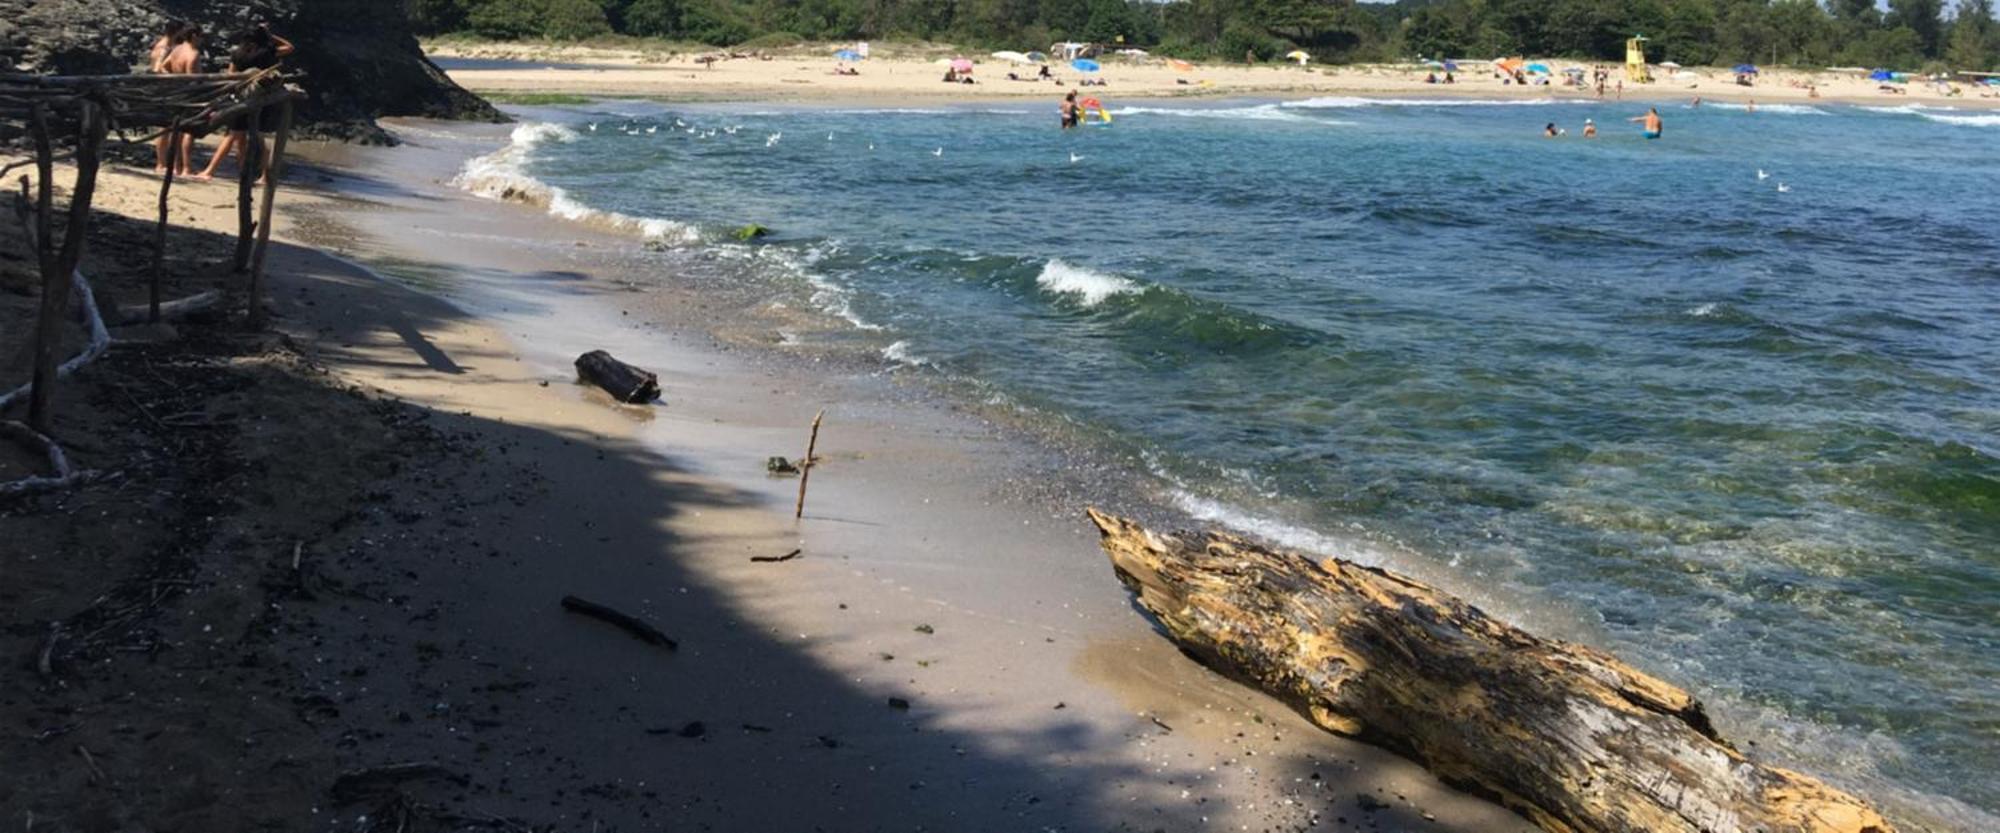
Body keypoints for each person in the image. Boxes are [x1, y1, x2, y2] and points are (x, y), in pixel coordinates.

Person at [193, 24, 294, 183]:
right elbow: (289, 47)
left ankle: (214, 171)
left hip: (241, 96)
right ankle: (262, 175)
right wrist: (270, 34)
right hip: (262, 97)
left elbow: (230, 75)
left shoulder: (238, 54)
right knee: (258, 136)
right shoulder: (268, 52)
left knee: (234, 135)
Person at [160, 24, 204, 176]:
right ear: (194, 36)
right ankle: (186, 167)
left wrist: (173, 80)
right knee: (188, 132)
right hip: (190, 96)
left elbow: (163, 68)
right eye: (201, 36)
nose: (202, 40)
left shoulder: (176, 49)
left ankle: (176, 166)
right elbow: (193, 80)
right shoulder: (193, 54)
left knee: (175, 131)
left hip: (176, 93)